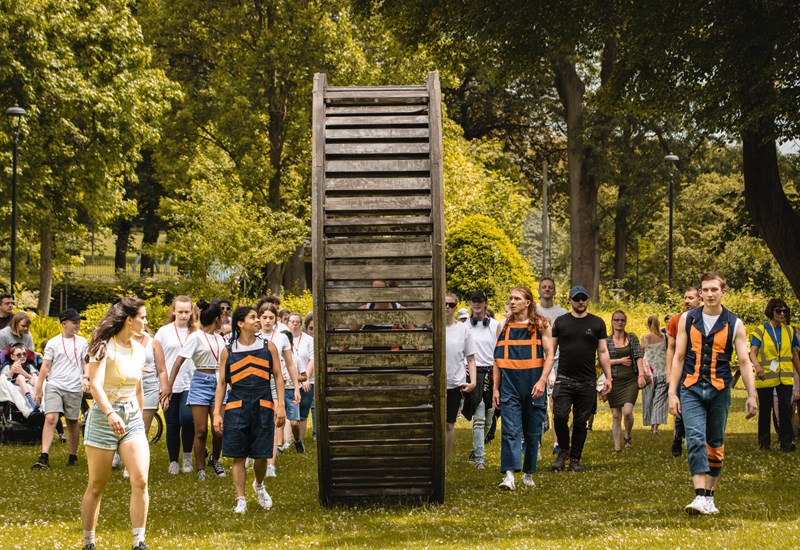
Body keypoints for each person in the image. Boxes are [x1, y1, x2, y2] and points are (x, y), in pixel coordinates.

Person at [669, 272, 758, 516]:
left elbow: (744, 360)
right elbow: (678, 356)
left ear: (723, 292)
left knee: (715, 442)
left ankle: (709, 497)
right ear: (700, 293)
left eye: (714, 290)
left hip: (720, 388)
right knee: (695, 438)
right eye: (705, 290)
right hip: (691, 386)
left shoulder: (734, 323)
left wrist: (751, 395)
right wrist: (672, 392)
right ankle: (699, 495)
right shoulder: (688, 319)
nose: (709, 294)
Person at [80, 297, 150, 550]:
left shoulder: (140, 349)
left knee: (140, 480)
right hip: (103, 417)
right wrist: (111, 414)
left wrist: (140, 421)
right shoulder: (102, 347)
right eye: (142, 317)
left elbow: (138, 388)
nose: (146, 322)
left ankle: (139, 542)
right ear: (129, 320)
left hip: (131, 418)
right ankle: (89, 542)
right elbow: (95, 385)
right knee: (97, 485)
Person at [213, 305, 285, 513]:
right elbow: (221, 383)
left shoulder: (268, 347)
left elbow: (278, 376)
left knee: (261, 456)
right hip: (237, 406)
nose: (257, 321)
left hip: (263, 404)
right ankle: (241, 499)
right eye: (253, 317)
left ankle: (259, 485)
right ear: (240, 323)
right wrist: (217, 413)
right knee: (238, 456)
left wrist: (281, 405)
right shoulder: (228, 351)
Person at [493, 286, 553, 490]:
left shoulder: (542, 325)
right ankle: (509, 476)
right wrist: (495, 388)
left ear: (527, 302)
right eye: (510, 298)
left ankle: (528, 473)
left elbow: (549, 355)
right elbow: (497, 359)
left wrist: (542, 381)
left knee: (533, 431)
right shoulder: (502, 326)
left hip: (534, 383)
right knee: (510, 430)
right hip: (509, 384)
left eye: (517, 298)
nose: (512, 302)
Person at [550, 285, 611, 472]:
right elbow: (550, 351)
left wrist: (608, 377)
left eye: (583, 298)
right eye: (576, 298)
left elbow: (603, 351)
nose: (580, 301)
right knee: (560, 416)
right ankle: (563, 451)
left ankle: (575, 458)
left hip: (587, 381)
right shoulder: (560, 322)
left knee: (580, 422)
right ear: (570, 300)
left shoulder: (597, 323)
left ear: (588, 299)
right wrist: (549, 373)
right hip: (564, 378)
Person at [166, 300, 227, 479]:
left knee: (219, 429)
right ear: (216, 319)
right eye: (222, 316)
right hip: (200, 382)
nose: (224, 319)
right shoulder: (196, 337)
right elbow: (178, 361)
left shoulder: (221, 339)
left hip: (219, 383)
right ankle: (200, 469)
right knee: (200, 431)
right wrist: (169, 386)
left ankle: (215, 459)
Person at [32, 309, 89, 469]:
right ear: (64, 324)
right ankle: (44, 456)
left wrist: (86, 378)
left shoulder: (83, 342)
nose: (78, 325)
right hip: (55, 384)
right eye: (74, 322)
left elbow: (86, 362)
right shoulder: (53, 342)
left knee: (72, 421)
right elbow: (45, 366)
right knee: (51, 418)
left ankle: (73, 456)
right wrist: (39, 388)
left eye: (79, 322)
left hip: (74, 386)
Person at [749, 299, 800, 451]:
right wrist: (758, 367)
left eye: (785, 311)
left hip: (785, 377)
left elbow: (794, 354)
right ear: (771, 312)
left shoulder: (789, 331)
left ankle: (786, 443)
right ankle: (764, 442)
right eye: (779, 311)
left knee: (785, 407)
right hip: (765, 376)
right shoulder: (761, 330)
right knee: (765, 409)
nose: (782, 314)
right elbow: (752, 352)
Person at [154, 295, 197, 475]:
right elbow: (158, 359)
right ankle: (173, 460)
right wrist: (163, 385)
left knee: (187, 419)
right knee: (172, 422)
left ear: (192, 312)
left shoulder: (196, 332)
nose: (184, 315)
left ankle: (187, 455)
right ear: (174, 311)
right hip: (169, 384)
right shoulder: (164, 332)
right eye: (180, 312)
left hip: (190, 382)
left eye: (187, 312)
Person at [258, 303, 300, 476]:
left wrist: (296, 386)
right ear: (259, 318)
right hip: (257, 382)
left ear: (276, 319)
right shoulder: (253, 336)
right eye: (264, 317)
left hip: (276, 381)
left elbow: (290, 363)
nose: (267, 321)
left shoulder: (281, 337)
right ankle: (254, 455)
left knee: (275, 421)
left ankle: (270, 464)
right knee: (257, 421)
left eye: (271, 318)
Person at [462, 290, 499, 470]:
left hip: (491, 373)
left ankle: (476, 451)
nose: (476, 304)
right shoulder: (464, 327)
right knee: (479, 418)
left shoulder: (495, 326)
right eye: (473, 301)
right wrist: (463, 367)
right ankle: (480, 460)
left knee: (489, 418)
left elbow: (500, 351)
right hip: (473, 374)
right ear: (470, 304)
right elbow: (459, 350)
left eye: (480, 301)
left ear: (485, 303)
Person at [666, 286, 702, 457]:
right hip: (681, 371)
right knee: (681, 408)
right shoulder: (676, 320)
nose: (687, 301)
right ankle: (678, 437)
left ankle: (698, 441)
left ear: (699, 299)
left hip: (702, 370)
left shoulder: (706, 319)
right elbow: (671, 349)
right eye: (685, 298)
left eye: (691, 298)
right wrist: (669, 373)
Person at [535, 277, 568, 455]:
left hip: (557, 360)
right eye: (544, 287)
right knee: (536, 401)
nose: (547, 289)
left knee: (555, 402)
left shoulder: (562, 313)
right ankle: (536, 441)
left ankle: (557, 443)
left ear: (554, 291)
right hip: (536, 360)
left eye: (550, 287)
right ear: (539, 291)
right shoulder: (532, 310)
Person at [444, 292, 476, 462]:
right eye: (444, 304)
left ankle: (444, 462)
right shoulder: (433, 328)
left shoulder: (463, 330)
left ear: (456, 307)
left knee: (449, 424)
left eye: (451, 304)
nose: (447, 307)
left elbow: (470, 357)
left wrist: (473, 382)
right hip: (435, 383)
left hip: (454, 384)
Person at [606, 310, 644, 452]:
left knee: (627, 412)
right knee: (616, 414)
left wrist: (641, 375)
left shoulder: (631, 337)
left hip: (630, 380)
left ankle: (627, 437)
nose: (619, 322)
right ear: (612, 322)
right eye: (616, 320)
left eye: (622, 320)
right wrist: (619, 361)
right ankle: (617, 447)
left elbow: (638, 356)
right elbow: (602, 361)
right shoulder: (607, 341)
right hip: (614, 380)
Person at [288, 312, 314, 450]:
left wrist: (306, 379)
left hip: (306, 380)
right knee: (290, 413)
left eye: (297, 322)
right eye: (292, 321)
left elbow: (312, 360)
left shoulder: (308, 340)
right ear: (288, 323)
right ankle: (286, 441)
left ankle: (300, 442)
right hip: (288, 382)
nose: (295, 324)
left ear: (301, 324)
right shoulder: (284, 338)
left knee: (303, 412)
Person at [641, 315, 669, 435]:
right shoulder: (665, 337)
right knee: (660, 400)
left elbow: (641, 356)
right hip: (663, 371)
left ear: (648, 325)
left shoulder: (644, 339)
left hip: (648, 373)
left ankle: (650, 424)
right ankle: (654, 427)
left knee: (648, 399)